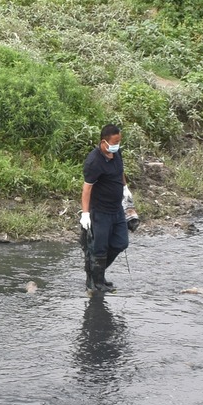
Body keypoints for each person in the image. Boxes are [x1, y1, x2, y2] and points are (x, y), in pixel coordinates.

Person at [78, 122, 128, 293]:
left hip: (117, 209)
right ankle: (95, 283)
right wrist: (85, 214)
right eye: (114, 143)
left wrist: (125, 189)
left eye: (118, 142)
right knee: (99, 248)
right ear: (103, 142)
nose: (117, 146)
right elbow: (87, 188)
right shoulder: (94, 162)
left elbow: (120, 171)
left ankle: (95, 276)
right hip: (100, 211)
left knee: (121, 243)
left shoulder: (117, 153)